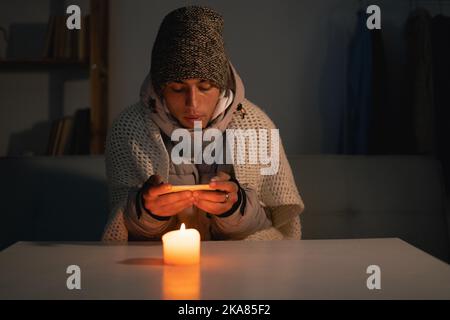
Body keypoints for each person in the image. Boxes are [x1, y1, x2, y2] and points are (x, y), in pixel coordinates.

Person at [102, 6, 304, 242]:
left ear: (221, 86)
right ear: (160, 89)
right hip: (156, 270)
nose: (193, 104)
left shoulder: (256, 127)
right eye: (177, 89)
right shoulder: (129, 129)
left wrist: (235, 209)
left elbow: (275, 223)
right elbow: (121, 226)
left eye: (205, 86)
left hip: (239, 272)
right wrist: (146, 213)